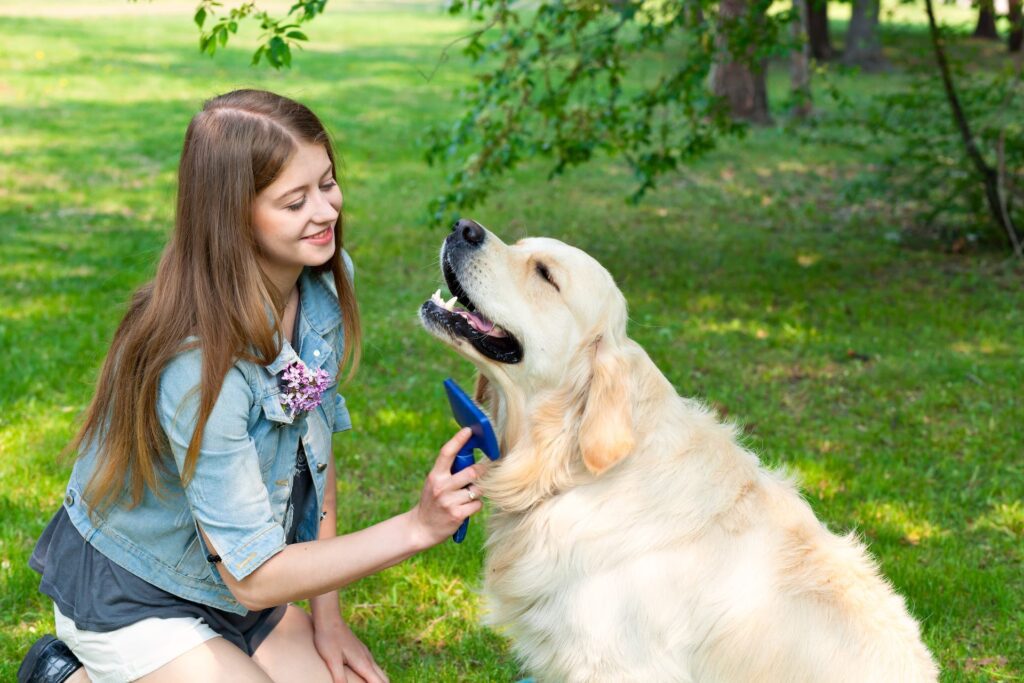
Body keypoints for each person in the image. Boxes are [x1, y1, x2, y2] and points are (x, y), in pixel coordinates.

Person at [17, 89, 483, 683]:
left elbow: (312, 460)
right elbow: (254, 575)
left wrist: (327, 622)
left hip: (235, 587)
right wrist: (417, 528)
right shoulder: (195, 363)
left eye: (328, 182)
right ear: (232, 215)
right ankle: (65, 675)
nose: (326, 211)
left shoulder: (323, 290)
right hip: (137, 594)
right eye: (295, 201)